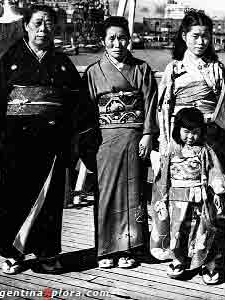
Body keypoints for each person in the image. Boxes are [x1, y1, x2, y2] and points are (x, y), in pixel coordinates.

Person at [0, 5, 100, 275]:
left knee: (50, 199)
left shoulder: (62, 63)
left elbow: (78, 105)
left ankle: (48, 253)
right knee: (14, 197)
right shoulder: (10, 59)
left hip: (52, 143)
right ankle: (13, 254)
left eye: (48, 24)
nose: (43, 29)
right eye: (37, 23)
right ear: (26, 26)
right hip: (15, 142)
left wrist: (76, 141)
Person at [83, 16, 158, 268]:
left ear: (130, 39)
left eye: (122, 38)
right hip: (106, 139)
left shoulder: (142, 69)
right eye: (112, 38)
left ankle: (129, 249)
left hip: (135, 138)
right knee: (106, 194)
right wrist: (90, 141)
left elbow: (150, 104)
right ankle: (106, 250)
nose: (118, 43)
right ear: (103, 41)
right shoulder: (94, 72)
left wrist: (148, 134)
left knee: (133, 193)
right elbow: (87, 112)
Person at [150, 107, 225, 284]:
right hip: (177, 197)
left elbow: (214, 171)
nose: (191, 137)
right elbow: (163, 175)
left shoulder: (205, 150)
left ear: (201, 132)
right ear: (178, 130)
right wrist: (162, 196)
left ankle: (208, 264)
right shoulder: (171, 148)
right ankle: (178, 260)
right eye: (186, 132)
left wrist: (217, 190)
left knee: (204, 231)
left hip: (200, 197)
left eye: (195, 132)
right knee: (177, 231)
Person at [157, 9, 225, 175]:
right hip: (180, 133)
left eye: (205, 36)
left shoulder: (216, 69)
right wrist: (164, 139)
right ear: (184, 36)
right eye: (195, 36)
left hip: (209, 133)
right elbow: (164, 108)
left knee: (213, 180)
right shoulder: (174, 68)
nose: (201, 42)